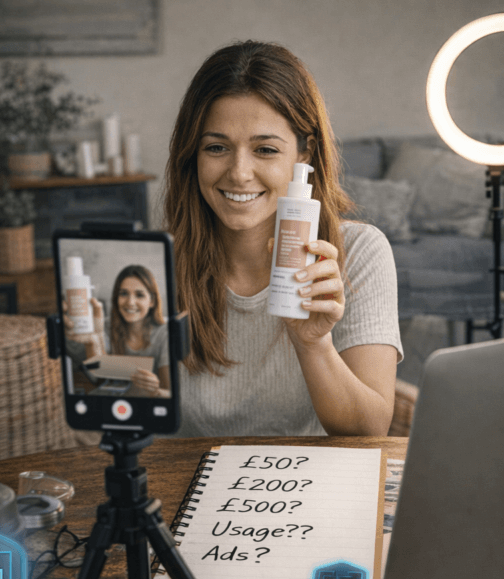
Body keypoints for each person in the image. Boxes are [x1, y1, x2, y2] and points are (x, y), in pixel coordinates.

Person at [159, 40, 401, 437]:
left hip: (311, 490)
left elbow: (370, 431)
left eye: (265, 149)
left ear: (304, 154)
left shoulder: (358, 252)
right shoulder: (162, 264)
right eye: (217, 147)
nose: (239, 172)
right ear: (192, 154)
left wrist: (313, 344)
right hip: (191, 489)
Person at [64, 265, 171, 398]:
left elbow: (169, 392)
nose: (130, 302)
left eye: (139, 295)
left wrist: (155, 391)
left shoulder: (166, 333)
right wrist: (94, 341)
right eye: (124, 293)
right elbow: (100, 378)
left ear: (152, 301)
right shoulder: (105, 325)